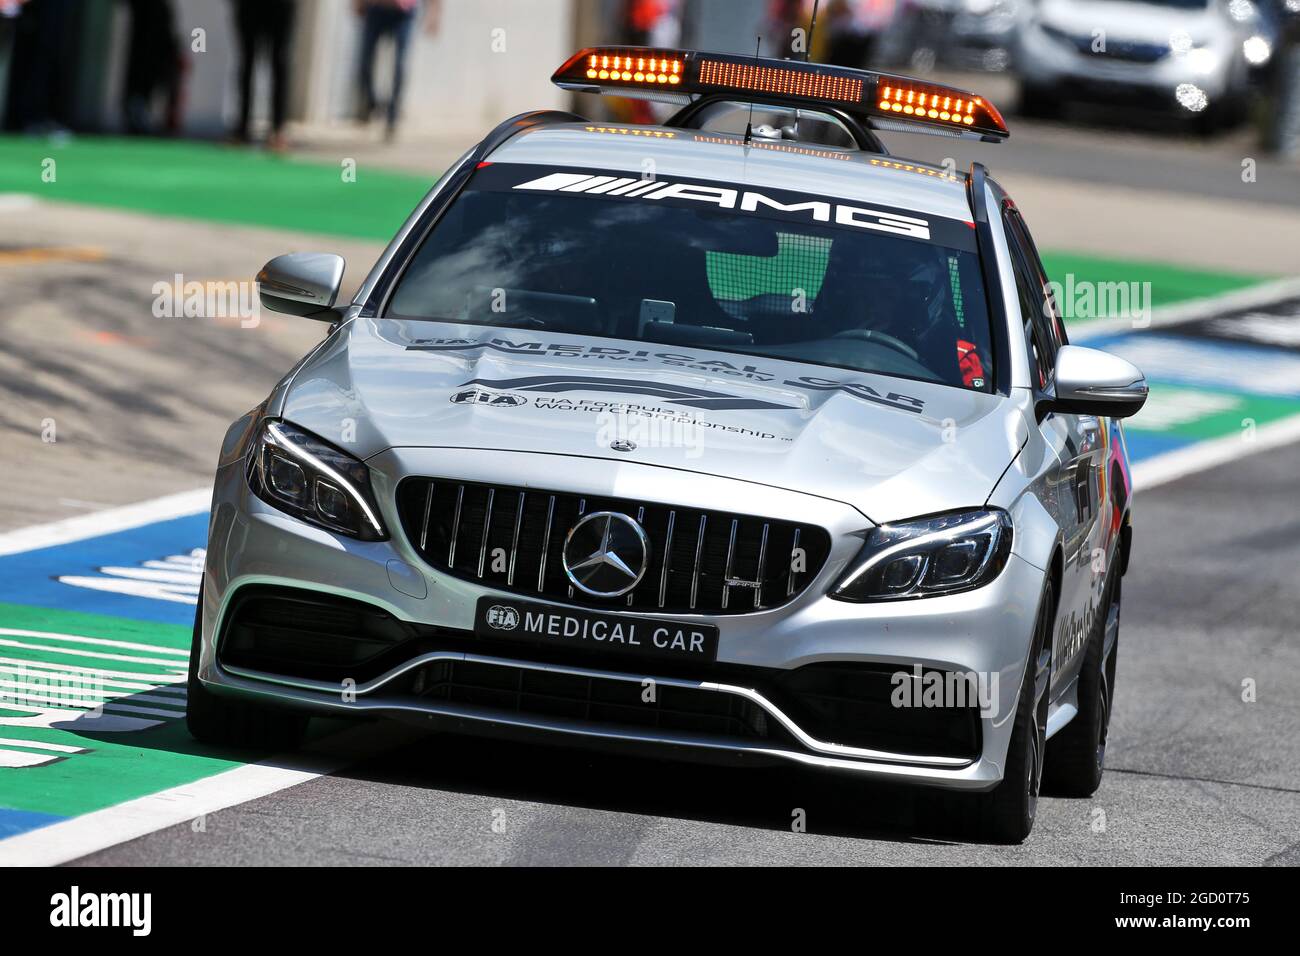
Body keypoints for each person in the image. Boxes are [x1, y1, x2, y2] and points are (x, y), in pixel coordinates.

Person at [355, 0, 439, 141]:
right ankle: (372, 103)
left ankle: (392, 116)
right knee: (365, 62)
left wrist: (434, 14)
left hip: (403, 13)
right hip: (376, 9)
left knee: (399, 66)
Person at [230, 0, 295, 151]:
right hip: (249, 5)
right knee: (246, 62)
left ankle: (278, 130)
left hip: (281, 5)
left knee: (279, 62)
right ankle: (242, 128)